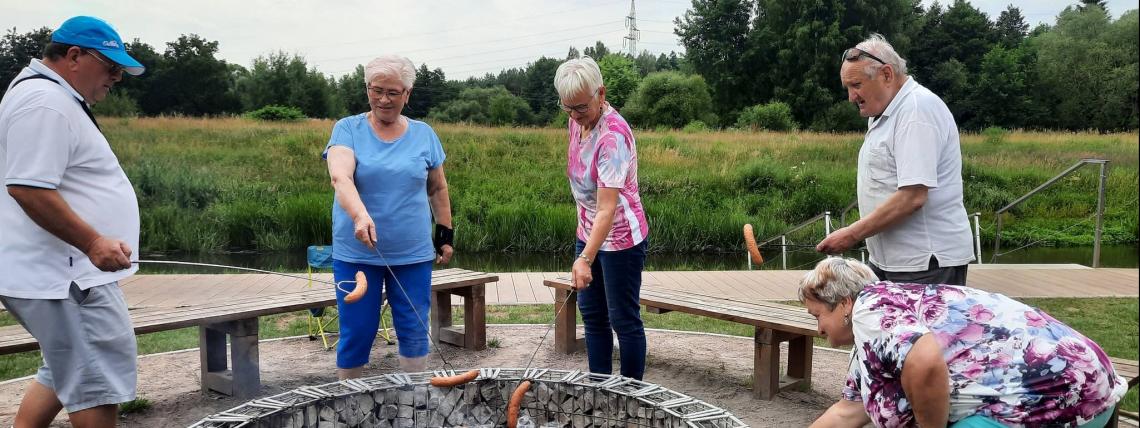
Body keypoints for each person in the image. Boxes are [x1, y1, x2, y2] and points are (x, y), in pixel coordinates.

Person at [0, 16, 146, 428]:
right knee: (96, 384)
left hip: (63, 274)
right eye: (110, 66)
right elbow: (28, 188)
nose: (116, 77)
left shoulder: (47, 96)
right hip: (68, 277)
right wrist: (92, 242)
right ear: (74, 56)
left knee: (68, 366)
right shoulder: (45, 102)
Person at [799, 257, 1128, 428]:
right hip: (1095, 388)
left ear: (843, 304)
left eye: (817, 316)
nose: (818, 330)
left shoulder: (870, 310)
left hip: (1056, 400)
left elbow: (925, 361)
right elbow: (846, 414)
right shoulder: (887, 321)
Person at [323, 55, 453, 379]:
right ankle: (350, 405)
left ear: (407, 93)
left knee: (413, 326)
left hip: (412, 254)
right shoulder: (347, 129)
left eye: (392, 92)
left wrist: (445, 234)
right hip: (357, 254)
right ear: (367, 89)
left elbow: (437, 188)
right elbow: (341, 177)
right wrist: (360, 216)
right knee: (357, 330)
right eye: (376, 90)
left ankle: (414, 398)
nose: (383, 99)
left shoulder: (425, 134)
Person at [816, 34, 974, 286]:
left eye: (856, 85)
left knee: (923, 328)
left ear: (887, 75)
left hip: (925, 263)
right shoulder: (885, 111)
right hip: (893, 261)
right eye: (847, 87)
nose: (851, 96)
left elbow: (913, 197)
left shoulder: (916, 110)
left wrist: (852, 234)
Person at [553, 57, 649, 380]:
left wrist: (584, 258)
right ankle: (600, 390)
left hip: (621, 236)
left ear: (601, 94)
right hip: (588, 231)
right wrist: (584, 246)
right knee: (593, 316)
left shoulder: (613, 137)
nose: (574, 116)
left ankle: (632, 397)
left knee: (623, 318)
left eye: (580, 107)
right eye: (567, 108)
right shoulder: (576, 120)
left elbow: (607, 209)